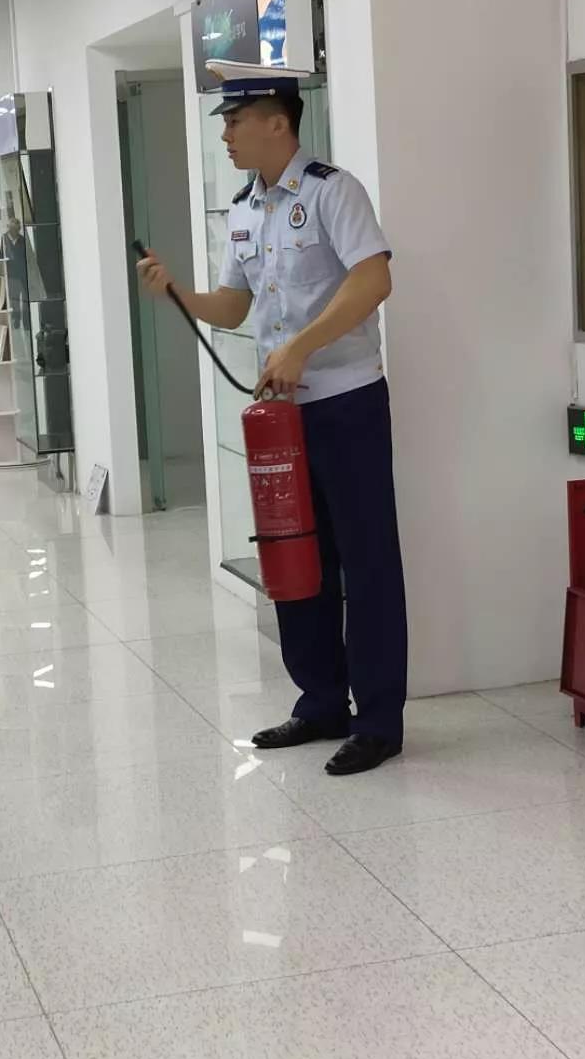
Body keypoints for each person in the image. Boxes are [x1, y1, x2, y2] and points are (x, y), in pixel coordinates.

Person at [139, 63, 407, 775]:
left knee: (366, 564)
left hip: (346, 401)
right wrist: (177, 292)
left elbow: (374, 278)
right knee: (296, 555)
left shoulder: (331, 192)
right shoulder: (245, 210)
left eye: (234, 120)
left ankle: (378, 720)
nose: (226, 134)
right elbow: (234, 306)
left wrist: (302, 346)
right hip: (281, 418)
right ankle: (321, 703)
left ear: (277, 122)